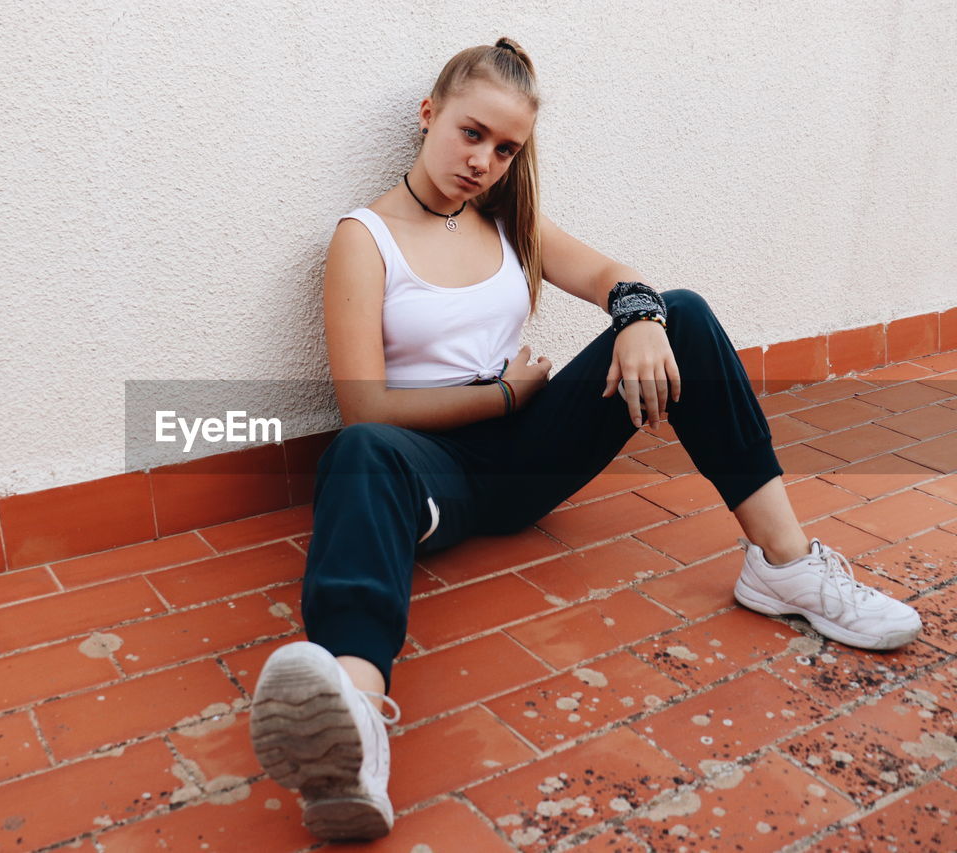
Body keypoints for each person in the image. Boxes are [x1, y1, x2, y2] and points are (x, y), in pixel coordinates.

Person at [247, 37, 922, 842]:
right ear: (428, 115)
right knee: (353, 454)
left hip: (529, 453)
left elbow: (615, 276)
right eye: (471, 134)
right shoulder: (365, 238)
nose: (483, 162)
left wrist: (637, 316)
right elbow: (366, 409)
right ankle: (355, 721)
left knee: (688, 314)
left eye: (505, 149)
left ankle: (785, 567)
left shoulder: (509, 221)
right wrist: (500, 394)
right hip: (423, 466)